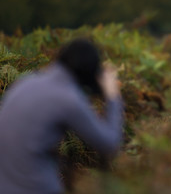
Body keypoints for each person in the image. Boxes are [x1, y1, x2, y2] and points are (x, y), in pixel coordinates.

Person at [0, 39, 124, 194]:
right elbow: (109, 143)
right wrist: (113, 96)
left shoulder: (26, 82)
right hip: (36, 188)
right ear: (90, 73)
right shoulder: (68, 98)